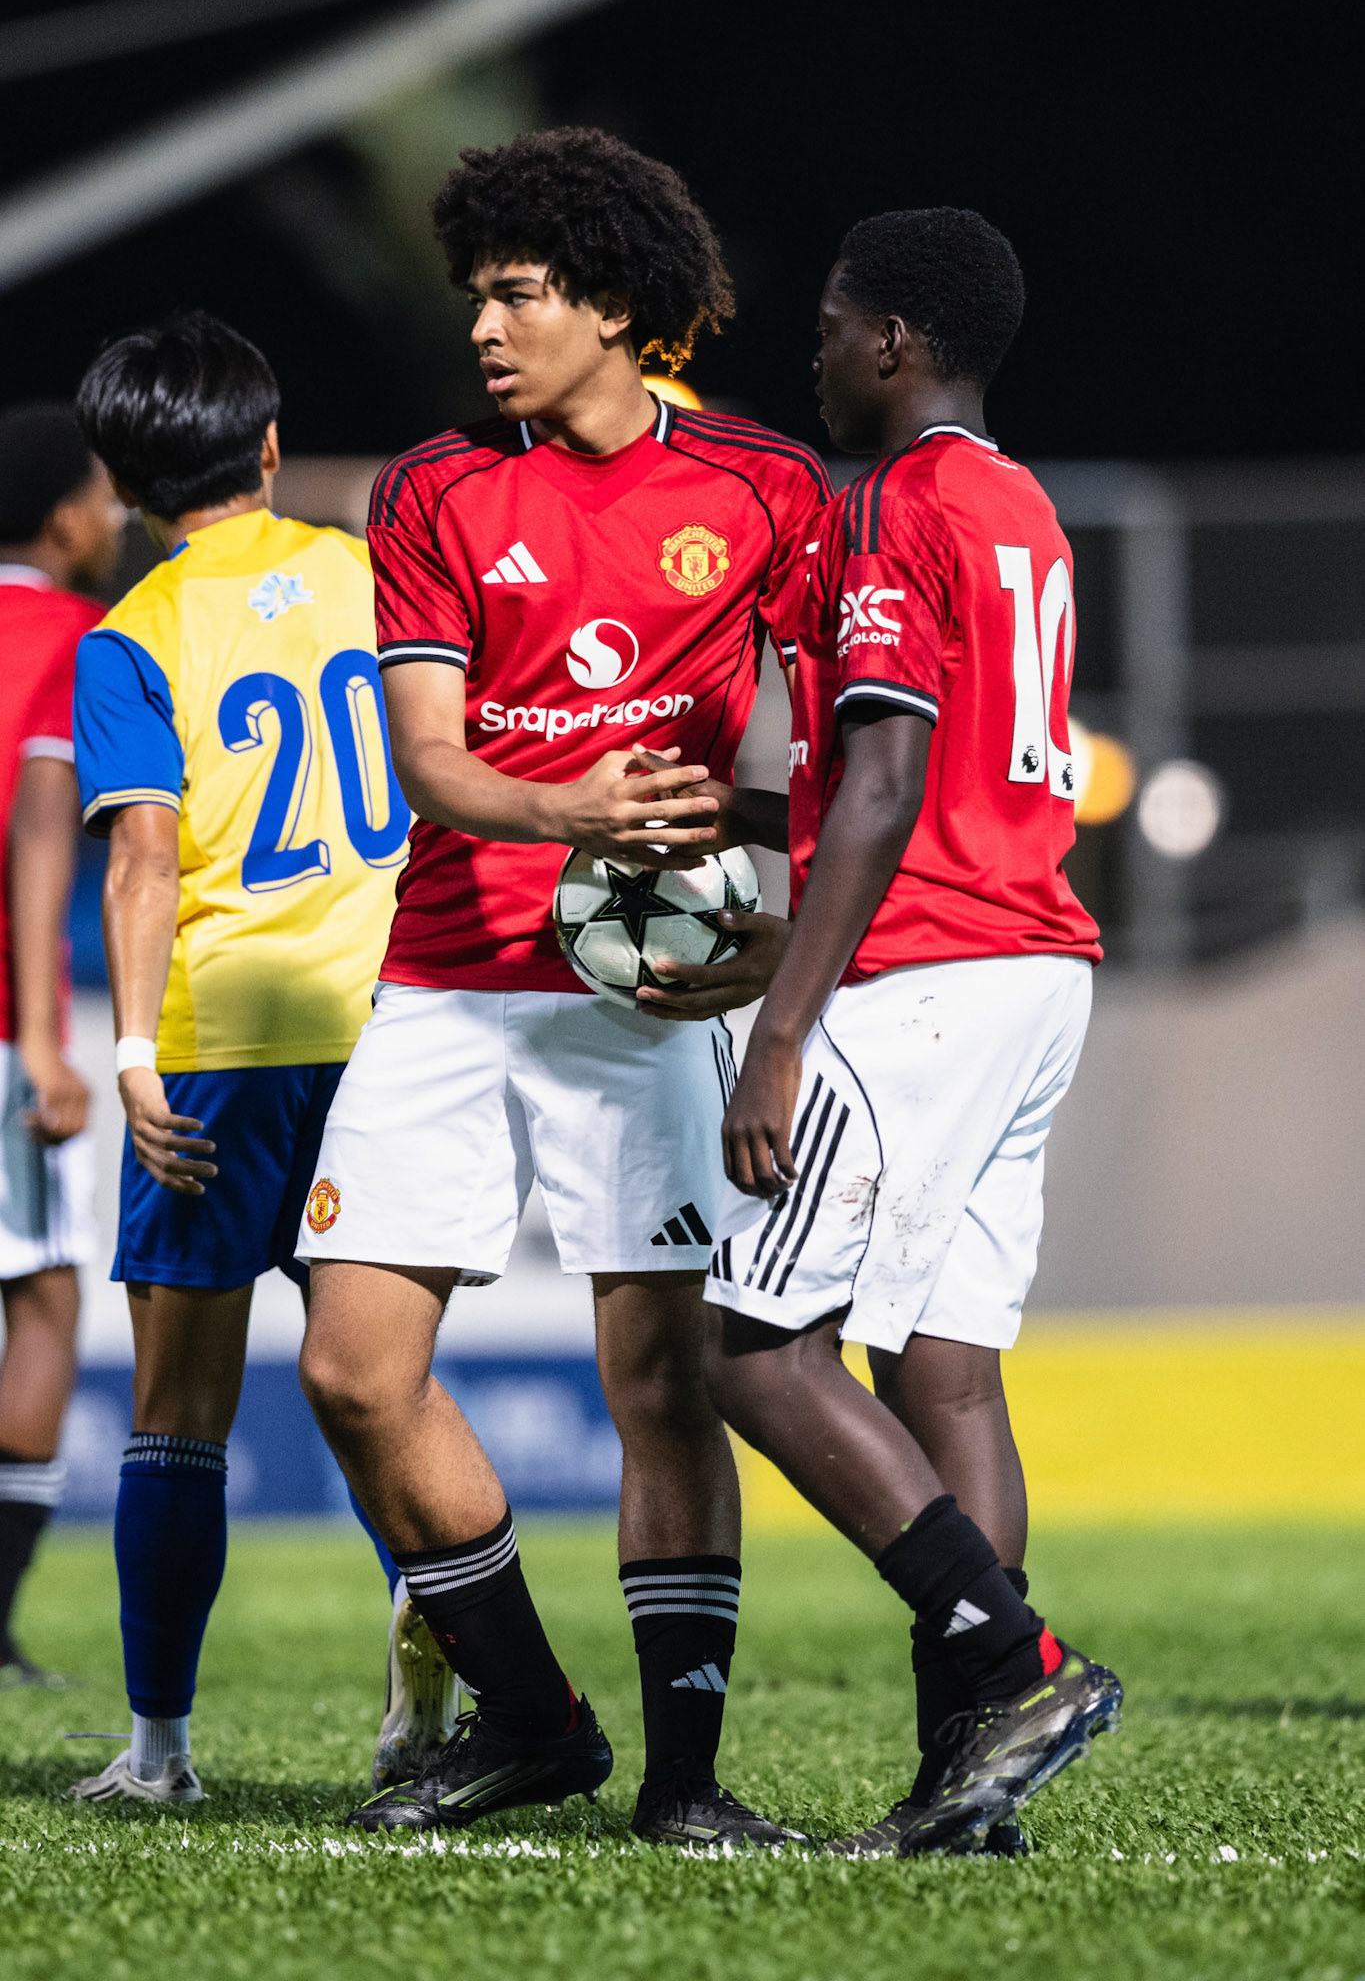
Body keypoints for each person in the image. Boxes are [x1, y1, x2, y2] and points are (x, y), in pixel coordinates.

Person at [295, 127, 830, 1844]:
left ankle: (687, 1780)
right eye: (476, 295)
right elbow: (432, 760)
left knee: (662, 1382)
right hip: (448, 974)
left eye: (516, 293)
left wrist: (773, 908)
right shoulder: (436, 487)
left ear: (613, 303)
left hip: (645, 992)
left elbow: (845, 748)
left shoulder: (765, 486)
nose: (483, 326)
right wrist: (571, 805)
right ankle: (534, 1720)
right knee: (352, 1369)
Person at [659, 208, 1122, 1855]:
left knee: (752, 1349)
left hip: (925, 971)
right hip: (1035, 964)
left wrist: (781, 1027)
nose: (816, 354)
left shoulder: (888, 506)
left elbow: (886, 777)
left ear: (893, 343)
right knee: (945, 1373)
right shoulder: (1018, 504)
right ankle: (966, 1787)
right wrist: (736, 809)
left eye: (831, 327)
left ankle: (1019, 1662)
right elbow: (915, 763)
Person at [67, 312, 453, 1804]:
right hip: (386, 1023)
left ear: (121, 483)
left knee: (177, 1418)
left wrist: (130, 1051)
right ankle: (440, 1669)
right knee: (386, 1392)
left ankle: (160, 1749)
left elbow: (143, 857)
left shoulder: (134, 634)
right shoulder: (370, 573)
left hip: (222, 1046)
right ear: (273, 446)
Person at [0, 404, 124, 1685]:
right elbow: (39, 836)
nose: (115, 512)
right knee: (41, 1297)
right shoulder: (83, 640)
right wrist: (44, 1038)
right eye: (102, 492)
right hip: (4, 1022)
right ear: (61, 517)